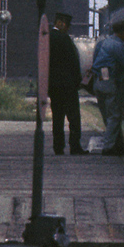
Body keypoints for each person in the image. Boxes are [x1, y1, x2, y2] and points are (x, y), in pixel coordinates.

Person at [92, 20, 124, 156]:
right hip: (109, 83)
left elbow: (95, 60)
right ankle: (108, 147)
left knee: (109, 116)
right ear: (123, 32)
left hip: (98, 81)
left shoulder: (103, 42)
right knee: (114, 116)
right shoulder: (118, 45)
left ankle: (118, 145)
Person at [47, 12, 84, 155]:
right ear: (61, 23)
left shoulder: (47, 38)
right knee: (73, 116)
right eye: (66, 25)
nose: (67, 29)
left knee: (57, 117)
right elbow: (74, 61)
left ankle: (58, 146)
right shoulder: (65, 39)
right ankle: (75, 146)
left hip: (53, 85)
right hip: (68, 85)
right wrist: (78, 81)